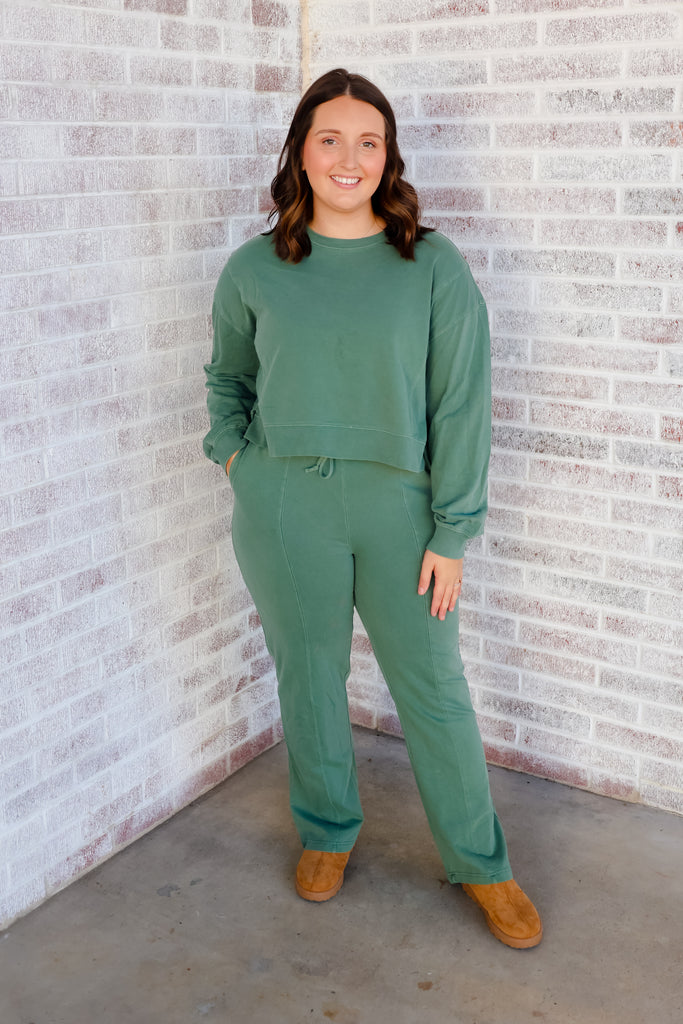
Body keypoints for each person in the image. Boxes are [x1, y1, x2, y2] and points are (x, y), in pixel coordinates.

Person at [203, 68, 542, 950]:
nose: (348, 158)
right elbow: (228, 380)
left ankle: (481, 862)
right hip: (285, 504)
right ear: (300, 152)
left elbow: (462, 404)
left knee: (432, 689)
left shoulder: (430, 265)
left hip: (402, 507)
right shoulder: (254, 268)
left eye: (368, 141)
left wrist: (452, 529)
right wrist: (238, 460)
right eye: (329, 139)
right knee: (308, 678)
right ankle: (326, 832)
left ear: (388, 156)